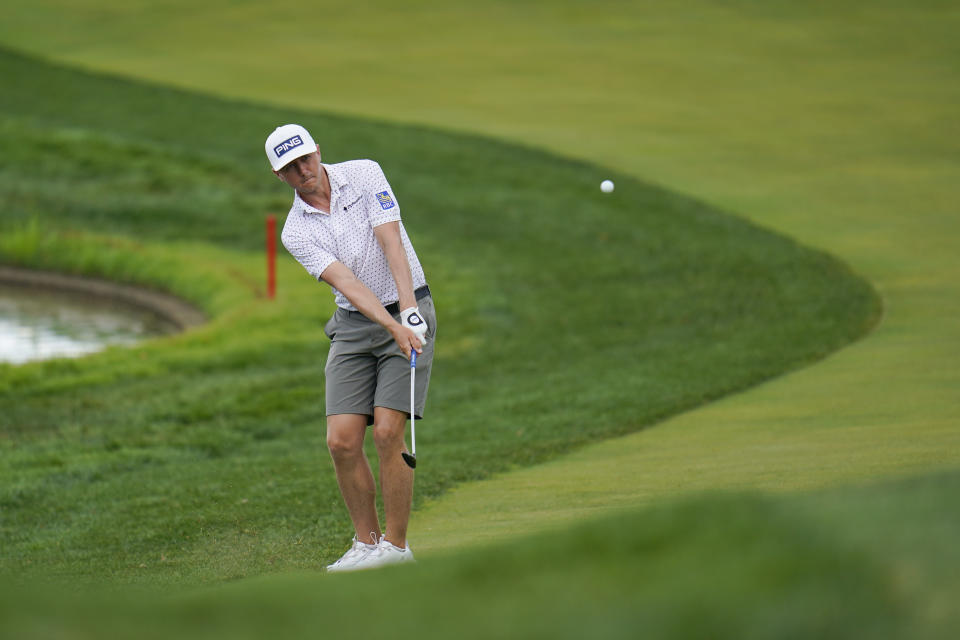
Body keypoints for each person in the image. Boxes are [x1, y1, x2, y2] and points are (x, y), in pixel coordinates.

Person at [265, 124, 436, 572]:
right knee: (341, 441)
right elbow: (347, 283)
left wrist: (409, 312)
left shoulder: (364, 173)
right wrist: (388, 325)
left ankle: (396, 550)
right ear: (278, 175)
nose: (303, 170)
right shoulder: (295, 231)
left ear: (317, 150)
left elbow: (390, 238)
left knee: (386, 432)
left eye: (305, 158)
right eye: (290, 167)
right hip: (355, 325)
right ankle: (367, 543)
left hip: (408, 307)